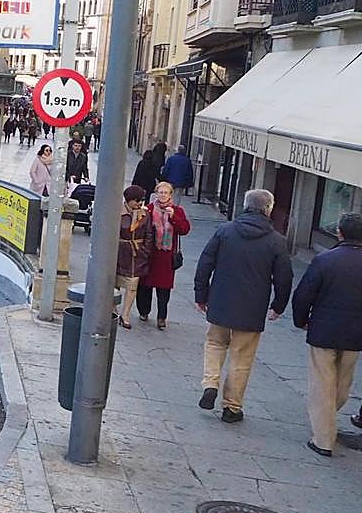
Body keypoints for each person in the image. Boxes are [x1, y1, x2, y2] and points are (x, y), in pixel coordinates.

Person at [194, 189, 293, 422]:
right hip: (252, 308)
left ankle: (210, 384)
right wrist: (278, 305)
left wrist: (201, 295)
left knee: (215, 343)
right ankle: (232, 407)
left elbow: (205, 264)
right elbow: (284, 278)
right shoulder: (277, 241)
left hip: (220, 301)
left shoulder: (225, 231)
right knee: (242, 357)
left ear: (246, 206)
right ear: (268, 209)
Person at [291, 212, 362, 456]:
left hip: (324, 330)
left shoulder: (325, 260)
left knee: (322, 384)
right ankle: (327, 419)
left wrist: (301, 320)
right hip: (355, 335)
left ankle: (323, 439)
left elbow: (303, 294)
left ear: (340, 233)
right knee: (343, 383)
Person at [137, 181, 191, 329]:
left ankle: (161, 317)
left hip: (166, 256)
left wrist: (173, 217)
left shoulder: (177, 210)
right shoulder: (148, 209)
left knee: (164, 289)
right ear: (156, 193)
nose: (162, 195)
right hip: (150, 254)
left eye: (165, 193)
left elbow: (185, 229)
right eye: (160, 192)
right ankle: (143, 311)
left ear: (170, 195)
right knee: (145, 286)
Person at [117, 185, 154, 329]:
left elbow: (149, 234)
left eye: (141, 200)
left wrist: (145, 252)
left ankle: (125, 314)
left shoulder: (144, 215)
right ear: (128, 200)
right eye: (136, 200)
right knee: (114, 284)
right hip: (120, 252)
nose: (139, 203)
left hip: (136, 254)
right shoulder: (117, 212)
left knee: (132, 285)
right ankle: (113, 310)